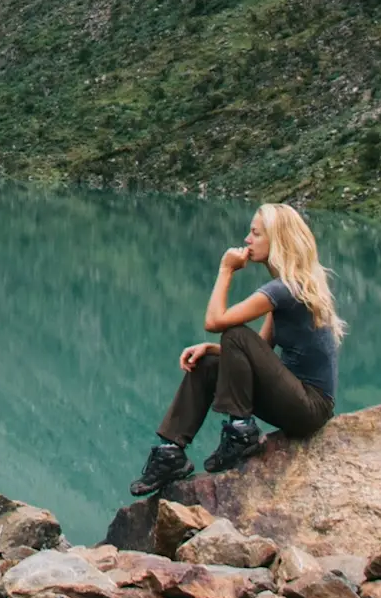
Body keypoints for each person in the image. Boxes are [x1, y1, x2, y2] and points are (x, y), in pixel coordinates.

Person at [129, 201, 341, 500]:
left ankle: (241, 431)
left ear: (276, 239)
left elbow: (215, 321)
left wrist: (225, 269)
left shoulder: (285, 289)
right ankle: (170, 452)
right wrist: (212, 350)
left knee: (235, 332)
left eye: (255, 233)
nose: (247, 240)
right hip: (293, 399)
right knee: (206, 364)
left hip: (310, 407)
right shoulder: (288, 287)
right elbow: (261, 351)